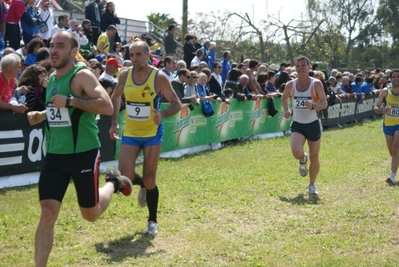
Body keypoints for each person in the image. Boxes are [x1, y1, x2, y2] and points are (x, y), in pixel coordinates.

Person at [27, 30, 132, 267]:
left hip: (83, 154)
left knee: (90, 214)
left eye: (60, 46)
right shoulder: (53, 78)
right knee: (47, 213)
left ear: (74, 51)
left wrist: (72, 100)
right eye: (52, 45)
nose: (53, 50)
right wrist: (42, 116)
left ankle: (114, 182)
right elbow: (62, 110)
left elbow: (106, 106)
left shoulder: (82, 75)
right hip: (55, 155)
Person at [109, 40, 181, 237]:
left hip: (151, 133)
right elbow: (116, 96)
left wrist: (162, 115)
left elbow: (176, 104)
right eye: (131, 55)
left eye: (138, 54)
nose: (134, 59)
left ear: (148, 56)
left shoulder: (159, 78)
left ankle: (152, 220)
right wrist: (114, 121)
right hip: (131, 133)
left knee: (150, 178)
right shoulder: (124, 74)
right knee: (126, 175)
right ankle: (141, 186)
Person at [282, 55, 327, 195]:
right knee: (296, 151)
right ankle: (302, 159)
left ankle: (312, 185)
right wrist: (287, 110)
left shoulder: (316, 84)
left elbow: (324, 103)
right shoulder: (291, 84)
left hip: (312, 123)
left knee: (314, 156)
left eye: (303, 66)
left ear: (309, 67)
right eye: (298, 66)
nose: (300, 68)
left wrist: (313, 105)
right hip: (298, 124)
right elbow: (284, 97)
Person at [374, 69, 399, 184]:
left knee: (395, 149)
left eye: (398, 77)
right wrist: (383, 110)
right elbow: (376, 107)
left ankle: (392, 177)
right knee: (393, 153)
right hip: (388, 124)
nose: (396, 79)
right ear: (390, 78)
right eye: (394, 77)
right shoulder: (385, 91)